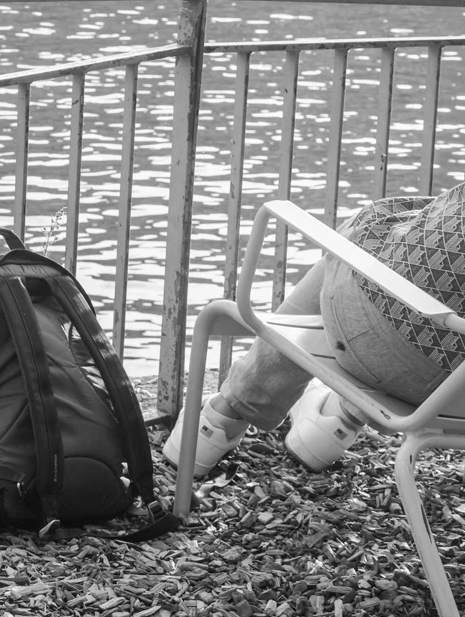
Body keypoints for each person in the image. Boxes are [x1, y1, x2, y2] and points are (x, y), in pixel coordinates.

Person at [165, 184, 465, 478]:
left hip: (370, 329)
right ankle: (336, 421)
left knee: (369, 235)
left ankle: (227, 414)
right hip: (453, 402)